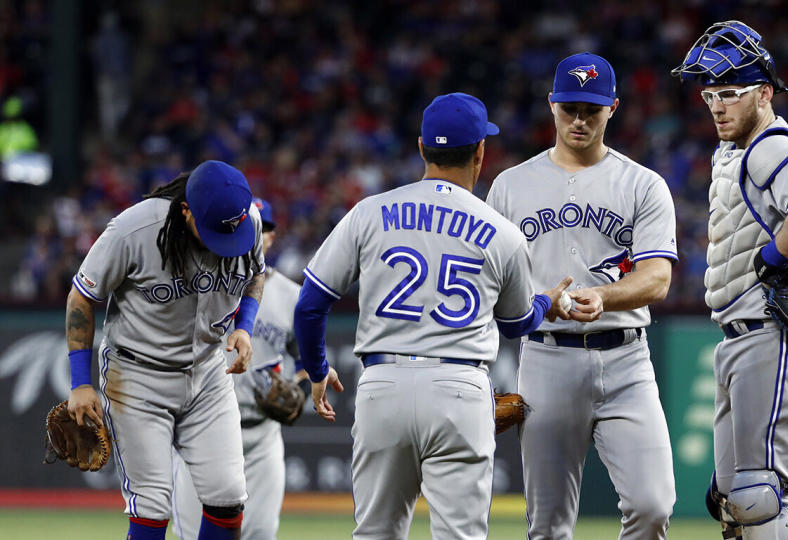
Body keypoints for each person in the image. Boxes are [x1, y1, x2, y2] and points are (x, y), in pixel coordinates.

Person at [293, 92, 573, 539]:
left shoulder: (370, 212)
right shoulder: (501, 232)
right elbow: (517, 323)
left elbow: (310, 304)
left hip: (383, 387)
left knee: (375, 533)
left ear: (422, 147)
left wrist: (317, 368)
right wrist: (545, 302)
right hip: (459, 389)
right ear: (481, 152)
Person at [486, 52, 678, 539]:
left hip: (627, 358)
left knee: (653, 505)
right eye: (569, 107)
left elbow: (657, 278)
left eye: (590, 109)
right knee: (548, 526)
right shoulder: (510, 187)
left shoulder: (643, 185)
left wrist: (606, 297)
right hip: (546, 358)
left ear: (612, 107)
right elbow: (489, 281)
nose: (578, 119)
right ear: (551, 104)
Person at [671, 20, 788, 539]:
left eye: (730, 93)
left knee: (758, 495)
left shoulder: (773, 146)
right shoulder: (735, 151)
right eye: (710, 95)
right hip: (743, 337)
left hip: (774, 333)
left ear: (764, 93)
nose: (717, 105)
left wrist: (770, 255)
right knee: (733, 501)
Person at [66, 160, 265, 539]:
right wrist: (80, 382)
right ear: (185, 209)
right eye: (211, 232)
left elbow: (256, 273)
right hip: (137, 376)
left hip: (208, 372)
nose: (223, 242)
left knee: (228, 496)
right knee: (152, 505)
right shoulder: (134, 229)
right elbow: (81, 297)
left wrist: (245, 327)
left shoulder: (247, 223)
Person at [172, 197, 303, 540]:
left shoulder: (292, 297)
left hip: (260, 435)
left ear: (271, 236)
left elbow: (308, 363)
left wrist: (299, 390)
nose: (259, 235)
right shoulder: (199, 283)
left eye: (267, 228)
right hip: (199, 429)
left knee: (259, 533)